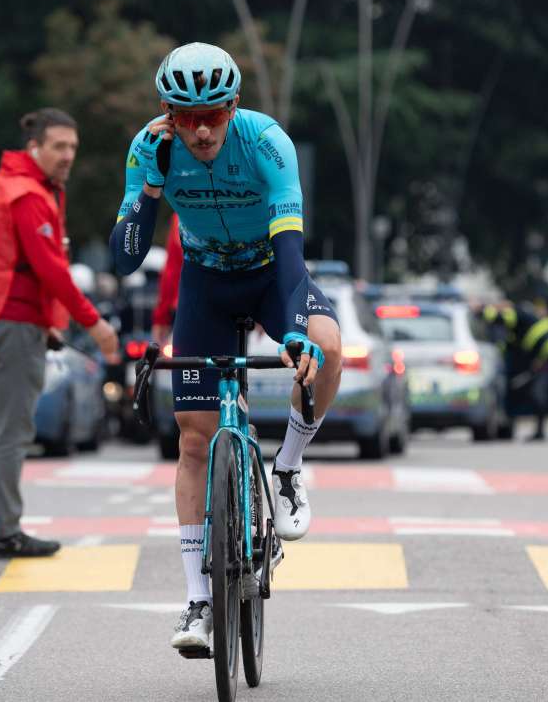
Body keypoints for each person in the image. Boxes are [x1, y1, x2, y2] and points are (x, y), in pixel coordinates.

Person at [110, 43, 342, 652]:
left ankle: (288, 468)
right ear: (168, 113)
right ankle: (197, 601)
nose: (202, 129)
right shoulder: (149, 147)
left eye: (214, 113)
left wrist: (292, 330)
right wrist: (149, 188)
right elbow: (125, 257)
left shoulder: (267, 143)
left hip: (270, 273)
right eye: (187, 117)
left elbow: (291, 248)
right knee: (192, 437)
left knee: (328, 345)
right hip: (205, 282)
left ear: (234, 106)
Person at [0, 108, 119, 559]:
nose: (68, 155)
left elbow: (19, 264)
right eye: (59, 146)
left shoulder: (6, 185)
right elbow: (52, 270)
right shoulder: (29, 196)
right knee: (12, 432)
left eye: (73, 146)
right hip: (10, 326)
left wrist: (49, 320)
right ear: (35, 147)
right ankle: (6, 531)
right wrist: (94, 322)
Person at [482, 301, 548, 441]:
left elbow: (496, 318)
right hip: (542, 357)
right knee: (539, 392)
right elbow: (510, 347)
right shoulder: (513, 332)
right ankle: (539, 432)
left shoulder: (514, 312)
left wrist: (485, 308)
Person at [151, 212, 183, 347]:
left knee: (190, 364)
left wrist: (161, 318)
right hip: (240, 305)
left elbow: (172, 272)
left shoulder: (182, 214)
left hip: (190, 305)